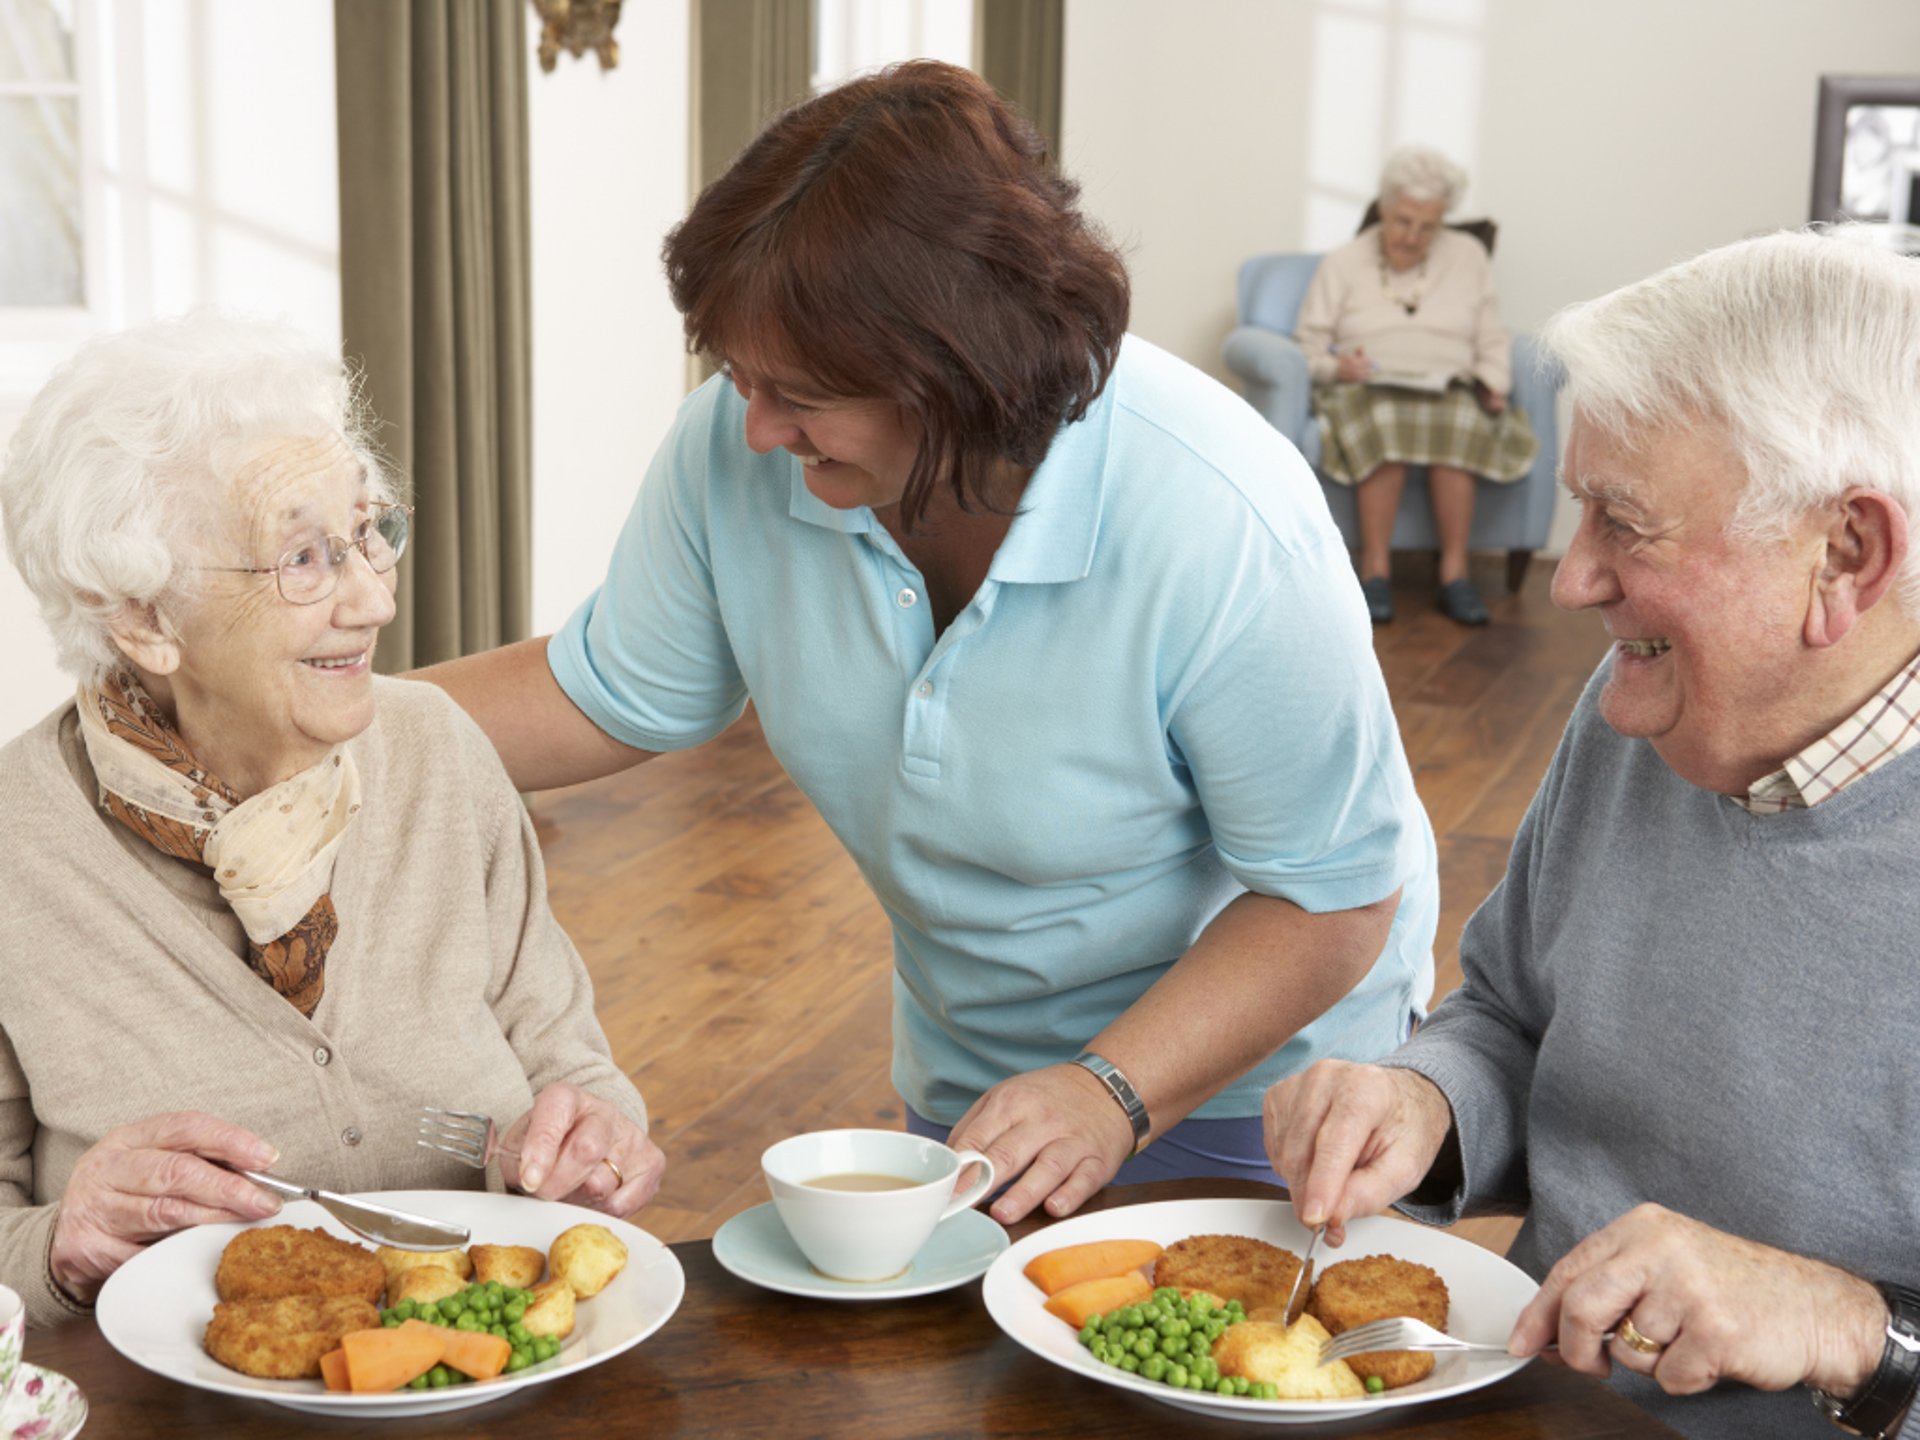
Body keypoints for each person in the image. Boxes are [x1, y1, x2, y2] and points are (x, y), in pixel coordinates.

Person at [421, 61, 1439, 1228]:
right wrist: (314, 724)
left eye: (798, 391)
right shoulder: (747, 448)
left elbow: (1333, 899)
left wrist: (1113, 1089)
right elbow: (601, 692)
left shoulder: (1222, 518)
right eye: (738, 377)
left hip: (1261, 1089)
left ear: (959, 373)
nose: (752, 426)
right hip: (982, 1081)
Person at [1264, 228, 1920, 1439]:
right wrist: (1427, 1103)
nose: (1573, 580)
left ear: (1847, 553)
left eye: (1624, 523)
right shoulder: (1641, 707)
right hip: (1530, 1397)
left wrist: (1844, 1327)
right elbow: (1509, 1013)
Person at [0, 313, 665, 1328]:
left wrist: (596, 1141)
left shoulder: (436, 750)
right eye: (304, 558)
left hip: (481, 1370)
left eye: (368, 533)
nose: (373, 598)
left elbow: (565, 1058)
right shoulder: (17, 845)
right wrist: (61, 1242)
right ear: (140, 616)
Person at [1294, 145, 1539, 626]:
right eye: (1403, 221)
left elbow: (1491, 332)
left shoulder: (1467, 256)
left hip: (1448, 384)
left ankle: (1455, 575)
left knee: (1462, 420)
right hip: (1366, 386)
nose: (1412, 236)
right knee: (1384, 419)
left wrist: (1493, 382)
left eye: (1428, 226)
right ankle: (1376, 572)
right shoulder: (1343, 262)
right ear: (1383, 209)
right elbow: (1308, 343)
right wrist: (1336, 368)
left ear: (1443, 220)